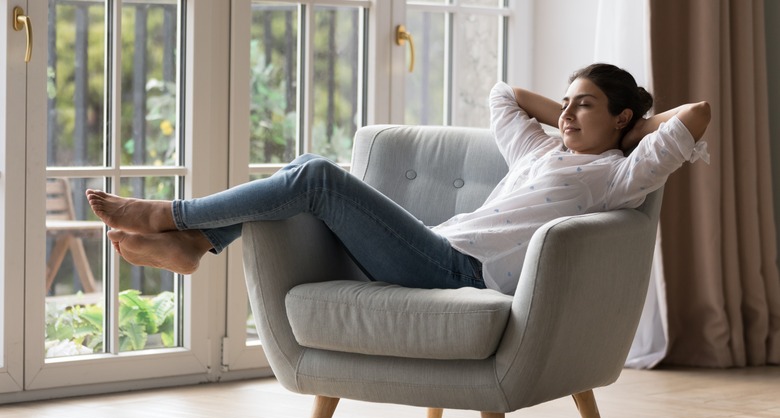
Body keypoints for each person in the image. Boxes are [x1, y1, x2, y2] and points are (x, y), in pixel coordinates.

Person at [86, 63, 711, 295]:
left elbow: (698, 115)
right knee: (307, 170)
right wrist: (575, 114)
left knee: (320, 177)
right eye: (568, 102)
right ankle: (195, 243)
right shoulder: (538, 152)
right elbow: (504, 94)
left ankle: (174, 219)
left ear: (624, 120)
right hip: (434, 245)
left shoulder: (618, 175)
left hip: (461, 271)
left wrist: (633, 130)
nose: (568, 113)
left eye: (586, 106)